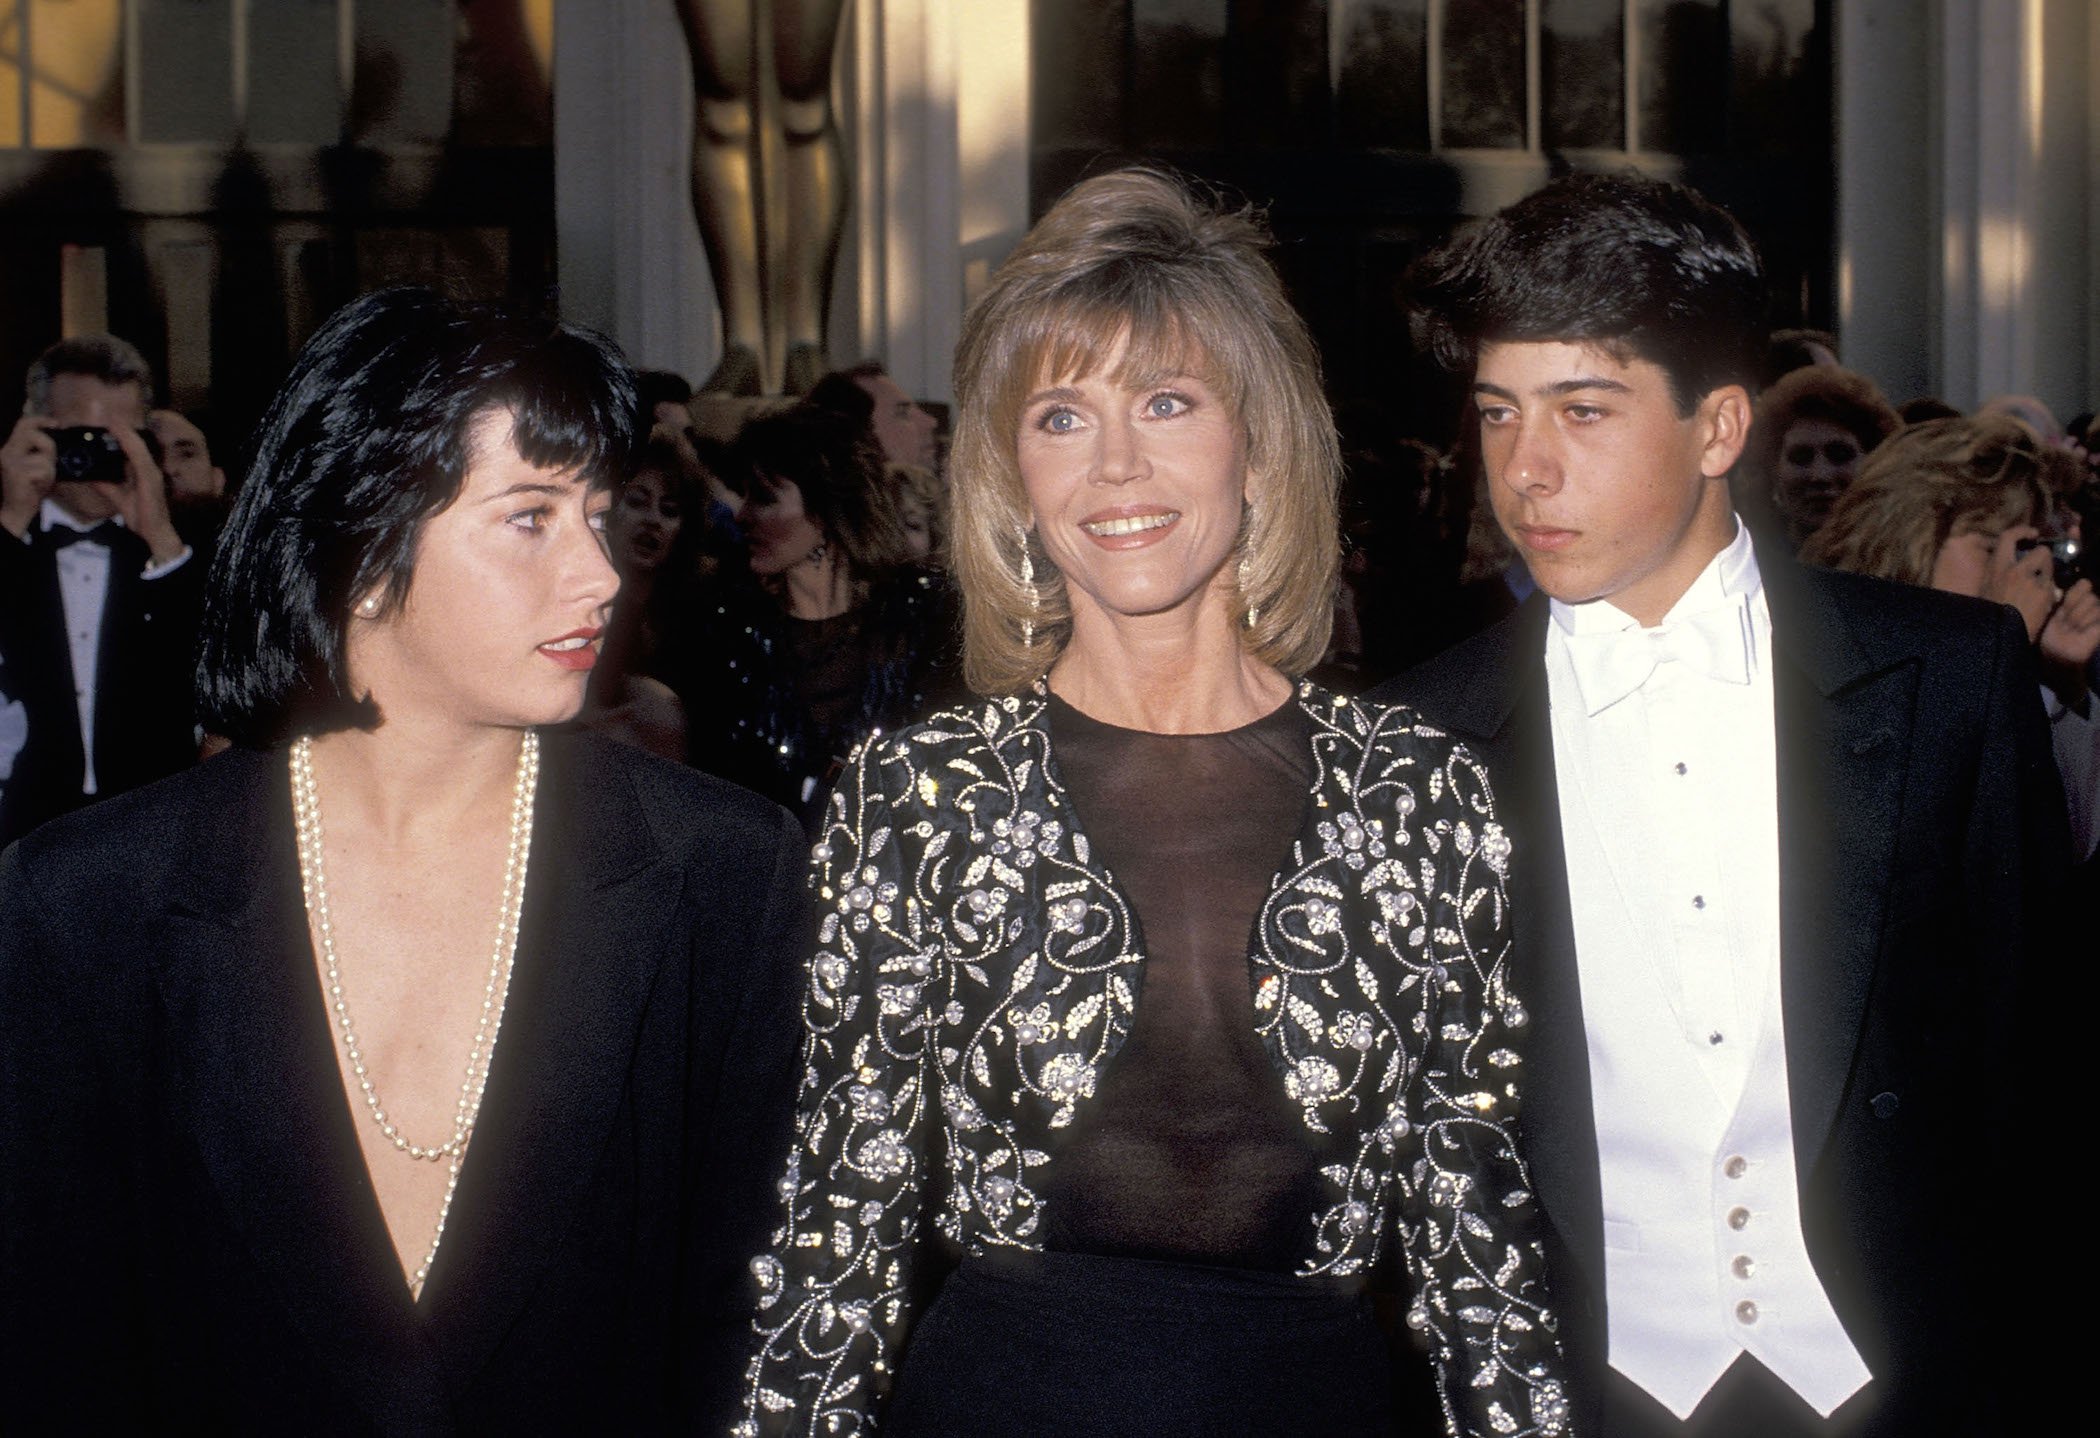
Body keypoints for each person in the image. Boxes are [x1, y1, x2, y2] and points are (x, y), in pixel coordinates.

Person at [738, 168, 1568, 1438]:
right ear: (1013, 474)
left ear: (1261, 443)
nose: (1113, 465)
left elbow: (1475, 1234)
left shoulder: (1417, 787)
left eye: (1167, 403)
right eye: (1061, 417)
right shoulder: (921, 793)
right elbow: (839, 1227)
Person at [0, 288, 810, 1431]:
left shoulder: (724, 872)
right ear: (362, 547)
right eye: (532, 516)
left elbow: (743, 1326)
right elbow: (57, 1351)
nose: (602, 572)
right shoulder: (87, 900)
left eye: (599, 510)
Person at [1374, 173, 2067, 1436]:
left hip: (1907, 1378)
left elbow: (2035, 1091)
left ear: (1718, 428)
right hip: (1578, 1395)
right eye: (1496, 415)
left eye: (1583, 411)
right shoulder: (1414, 739)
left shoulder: (1949, 681)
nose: (1526, 470)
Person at [1801, 414, 2100, 859]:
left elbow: (2074, 840)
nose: (2016, 570)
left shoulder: (2016, 664)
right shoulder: (1829, 642)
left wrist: (2064, 684)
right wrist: (1998, 647)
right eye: (1988, 545)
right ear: (1912, 532)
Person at [688, 401, 956, 831]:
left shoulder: (923, 619)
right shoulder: (725, 632)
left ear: (826, 506)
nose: (743, 515)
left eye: (765, 497)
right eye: (744, 494)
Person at [0, 335, 200, 848]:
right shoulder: (9, 541)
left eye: (120, 439)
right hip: (23, 837)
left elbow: (220, 683)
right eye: (83, 439)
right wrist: (11, 520)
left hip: (154, 834)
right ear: (36, 429)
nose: (102, 457)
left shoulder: (184, 548)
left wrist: (159, 538)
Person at [1738, 365, 1899, 551]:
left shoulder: (1903, 565)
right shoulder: (1750, 565)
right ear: (1772, 470)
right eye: (1801, 457)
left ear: (1876, 463)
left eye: (1840, 455)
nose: (1820, 475)